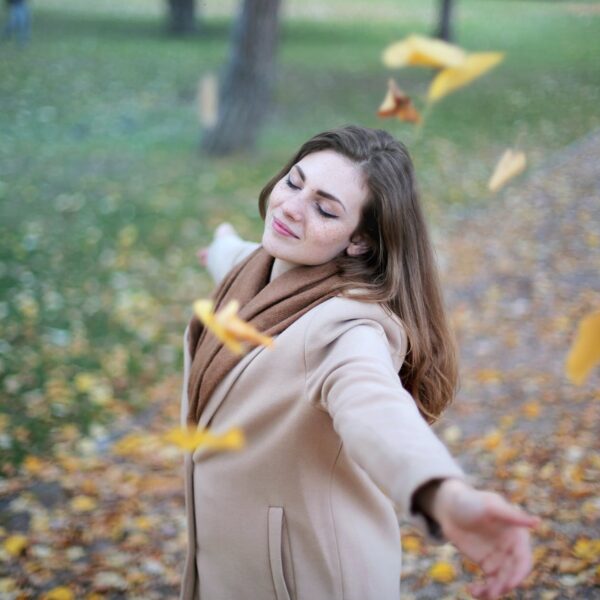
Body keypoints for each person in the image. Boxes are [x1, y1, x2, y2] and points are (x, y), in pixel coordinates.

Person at [179, 125, 540, 600]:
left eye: (325, 208)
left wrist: (444, 495)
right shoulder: (256, 268)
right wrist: (221, 245)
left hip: (310, 580)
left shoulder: (347, 328)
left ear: (360, 242)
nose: (290, 207)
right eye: (294, 182)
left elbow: (375, 406)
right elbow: (237, 258)